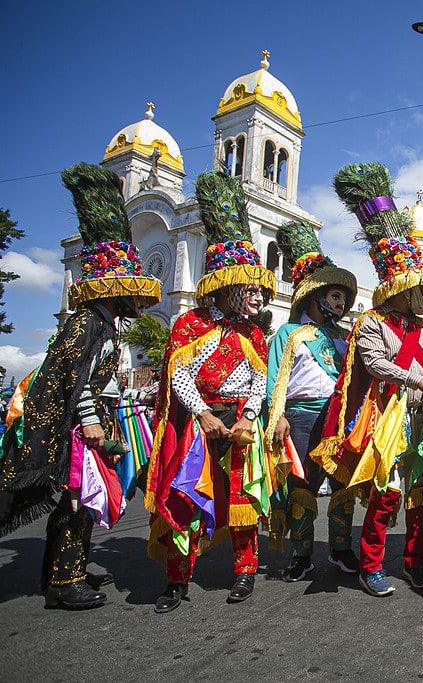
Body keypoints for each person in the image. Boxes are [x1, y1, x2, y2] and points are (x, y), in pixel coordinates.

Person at [0, 163, 161, 609]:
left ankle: (64, 571)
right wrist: (91, 423)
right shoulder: (88, 324)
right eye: (134, 290)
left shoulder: (103, 324)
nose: (140, 300)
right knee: (76, 499)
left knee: (81, 498)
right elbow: (74, 380)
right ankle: (64, 582)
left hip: (87, 425)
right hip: (76, 430)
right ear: (115, 287)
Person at [144, 171, 277, 613]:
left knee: (242, 498)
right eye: (249, 287)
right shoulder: (189, 324)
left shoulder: (253, 334)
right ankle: (177, 580)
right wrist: (202, 412)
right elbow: (179, 376)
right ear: (224, 287)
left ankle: (244, 573)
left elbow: (260, 381)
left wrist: (249, 417)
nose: (257, 295)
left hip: (238, 421)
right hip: (199, 424)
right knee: (186, 497)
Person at [311, 162, 423, 597]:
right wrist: (415, 379)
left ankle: (415, 562)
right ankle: (371, 565)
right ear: (403, 288)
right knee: (387, 493)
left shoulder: (422, 327)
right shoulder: (372, 322)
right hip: (388, 417)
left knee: (421, 493)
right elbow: (373, 365)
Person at [265, 221, 359, 582]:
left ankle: (341, 549)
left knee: (342, 483)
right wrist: (278, 417)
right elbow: (277, 380)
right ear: (316, 296)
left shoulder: (345, 337)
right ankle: (301, 555)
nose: (341, 303)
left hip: (337, 418)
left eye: (342, 298)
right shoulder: (289, 333)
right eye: (334, 297)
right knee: (302, 488)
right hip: (300, 417)